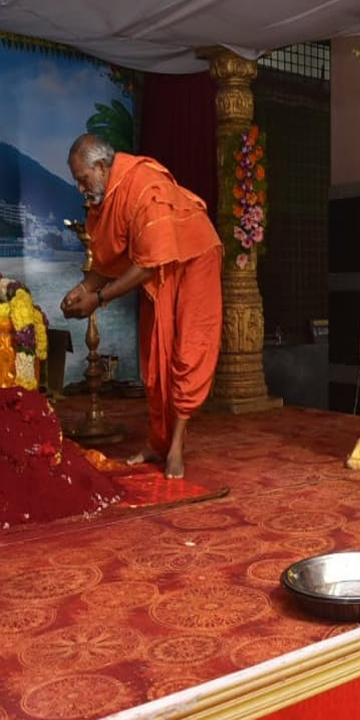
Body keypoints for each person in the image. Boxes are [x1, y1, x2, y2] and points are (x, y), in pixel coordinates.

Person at [61, 134, 223, 479]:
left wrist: (99, 298)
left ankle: (176, 444)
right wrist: (82, 289)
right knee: (155, 358)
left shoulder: (143, 184)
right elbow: (108, 262)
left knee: (186, 353)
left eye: (83, 180)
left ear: (102, 168)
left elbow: (148, 265)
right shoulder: (103, 200)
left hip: (195, 257)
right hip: (161, 264)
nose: (80, 189)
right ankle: (157, 442)